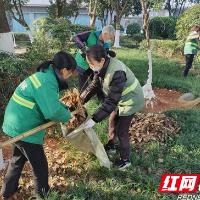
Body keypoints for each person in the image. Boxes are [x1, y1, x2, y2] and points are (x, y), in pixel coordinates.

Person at [1, 52, 77, 199]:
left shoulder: (45, 75)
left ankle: (6, 192)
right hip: (24, 128)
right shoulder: (47, 81)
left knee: (18, 159)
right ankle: (43, 196)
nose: (71, 75)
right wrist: (68, 116)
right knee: (40, 168)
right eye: (71, 72)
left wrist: (65, 108)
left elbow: (50, 102)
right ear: (64, 70)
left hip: (14, 123)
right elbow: (52, 111)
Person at [80, 44, 145, 170]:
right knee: (112, 121)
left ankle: (126, 159)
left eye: (92, 63)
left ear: (102, 60)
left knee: (121, 130)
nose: (90, 67)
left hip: (131, 100)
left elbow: (110, 101)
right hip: (120, 99)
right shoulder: (101, 69)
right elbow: (93, 86)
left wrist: (94, 119)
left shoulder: (117, 73)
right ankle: (111, 146)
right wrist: (80, 101)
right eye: (89, 63)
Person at [73, 25, 115, 102]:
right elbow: (76, 37)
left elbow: (103, 55)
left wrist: (108, 53)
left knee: (97, 82)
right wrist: (83, 48)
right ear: (105, 34)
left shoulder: (106, 44)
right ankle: (82, 102)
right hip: (83, 63)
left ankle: (102, 100)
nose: (110, 40)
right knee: (83, 83)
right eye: (110, 37)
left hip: (94, 65)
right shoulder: (90, 34)